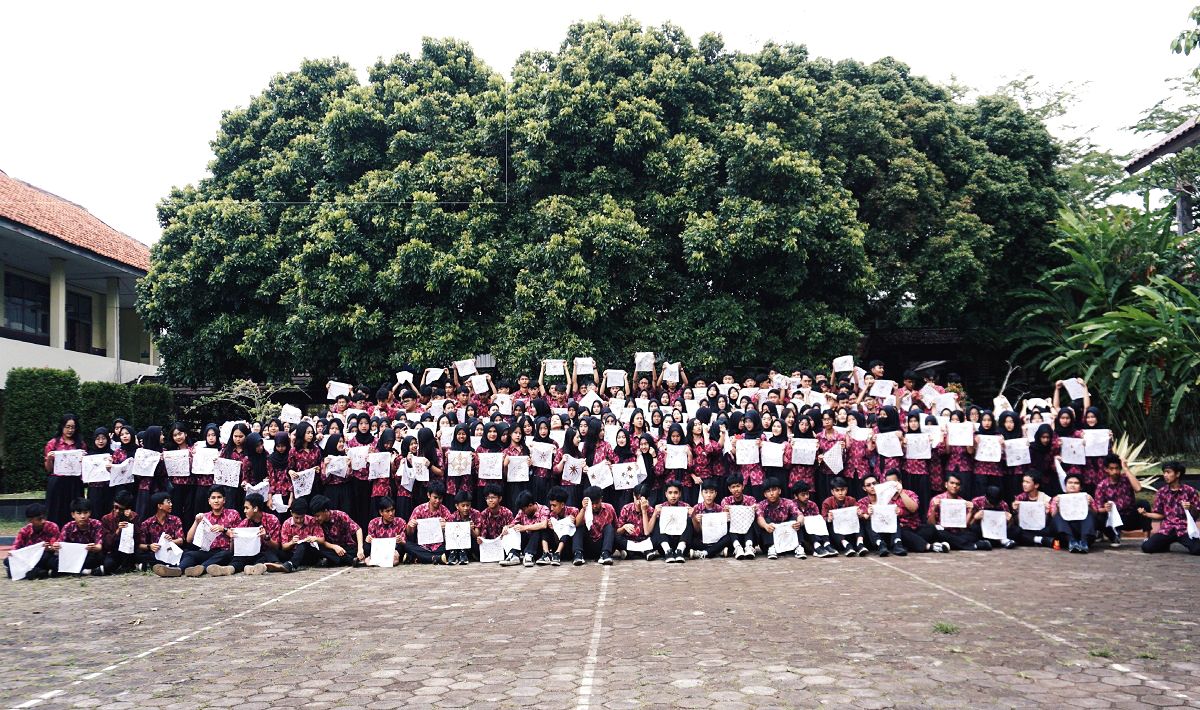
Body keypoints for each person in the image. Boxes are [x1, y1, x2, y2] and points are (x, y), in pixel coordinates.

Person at [1139, 461, 1200, 555]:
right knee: (1146, 547)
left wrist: (1191, 507)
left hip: (1184, 529)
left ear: (1178, 474)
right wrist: (1146, 514)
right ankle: (1164, 544)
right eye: (1164, 472)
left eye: (1168, 472)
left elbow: (1197, 514)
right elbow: (1160, 515)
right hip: (1167, 529)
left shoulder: (1190, 491)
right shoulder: (1162, 492)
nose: (1165, 475)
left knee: (1197, 550)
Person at [179, 486, 241, 577]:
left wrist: (223, 529)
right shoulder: (205, 516)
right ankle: (178, 570)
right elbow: (188, 539)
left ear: (224, 500)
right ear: (209, 501)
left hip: (225, 551)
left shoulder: (233, 514)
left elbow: (239, 535)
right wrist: (196, 522)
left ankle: (201, 568)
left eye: (219, 497)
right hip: (207, 551)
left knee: (225, 554)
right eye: (213, 498)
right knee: (189, 554)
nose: (216, 501)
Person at [1093, 454, 1143, 547]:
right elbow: (1098, 508)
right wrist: (1105, 508)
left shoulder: (1126, 479)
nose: (1115, 471)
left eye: (1117, 468)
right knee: (1098, 517)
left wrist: (1126, 468)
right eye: (1111, 469)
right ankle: (1113, 537)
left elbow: (1138, 488)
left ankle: (1147, 537)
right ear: (1106, 469)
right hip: (1113, 518)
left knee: (1143, 504)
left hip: (1129, 516)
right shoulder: (1102, 485)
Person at [44, 413, 85, 526]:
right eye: (67, 426)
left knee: (74, 510)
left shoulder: (80, 444)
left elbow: (84, 469)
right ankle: (55, 537)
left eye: (73, 427)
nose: (70, 430)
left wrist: (84, 460)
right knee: (56, 510)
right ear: (62, 427)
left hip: (74, 483)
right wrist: (49, 459)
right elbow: (48, 469)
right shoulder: (53, 443)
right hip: (57, 483)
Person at [266, 498, 325, 573]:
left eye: (301, 518)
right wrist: (292, 542)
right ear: (291, 513)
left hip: (308, 554)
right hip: (292, 553)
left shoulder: (312, 521)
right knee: (270, 551)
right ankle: (276, 564)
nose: (299, 520)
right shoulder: (286, 524)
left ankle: (291, 565)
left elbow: (322, 539)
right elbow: (284, 546)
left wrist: (314, 538)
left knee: (303, 544)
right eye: (296, 517)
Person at [928, 473, 983, 551]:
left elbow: (963, 528)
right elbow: (931, 524)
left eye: (957, 484)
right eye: (952, 483)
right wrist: (934, 508)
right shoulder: (937, 499)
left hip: (957, 533)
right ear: (946, 484)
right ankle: (974, 546)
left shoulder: (962, 502)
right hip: (943, 531)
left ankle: (950, 544)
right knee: (937, 533)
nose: (954, 486)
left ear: (960, 487)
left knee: (973, 534)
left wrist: (970, 512)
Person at [230, 493, 283, 575]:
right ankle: (230, 569)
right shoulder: (244, 523)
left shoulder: (272, 520)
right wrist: (233, 539)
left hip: (266, 553)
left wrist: (266, 538)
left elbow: (277, 546)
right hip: (250, 553)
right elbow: (235, 549)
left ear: (255, 508)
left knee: (267, 554)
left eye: (247, 508)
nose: (244, 511)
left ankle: (255, 568)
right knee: (238, 557)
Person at [405, 483, 455, 565]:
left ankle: (419, 558)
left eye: (440, 498)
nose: (438, 501)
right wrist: (410, 526)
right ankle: (435, 558)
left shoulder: (445, 511)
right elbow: (409, 533)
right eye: (435, 498)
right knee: (407, 545)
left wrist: (447, 527)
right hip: (422, 546)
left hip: (439, 546)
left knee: (451, 547)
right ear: (428, 495)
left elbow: (453, 533)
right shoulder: (419, 509)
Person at [6, 503, 59, 579]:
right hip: (28, 558)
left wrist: (49, 548)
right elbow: (16, 546)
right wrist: (12, 553)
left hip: (44, 556)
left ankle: (31, 571)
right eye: (40, 519)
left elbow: (54, 546)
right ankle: (37, 571)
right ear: (30, 520)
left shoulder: (52, 527)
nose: (43, 521)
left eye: (44, 517)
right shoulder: (24, 531)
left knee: (51, 559)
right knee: (7, 560)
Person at [645, 480, 693, 563]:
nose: (673, 496)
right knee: (658, 520)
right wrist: (655, 514)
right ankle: (668, 551)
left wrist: (693, 516)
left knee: (689, 520)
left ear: (680, 494)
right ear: (666, 494)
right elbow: (648, 531)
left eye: (676, 493)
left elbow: (696, 529)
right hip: (665, 543)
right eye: (670, 493)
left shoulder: (685, 507)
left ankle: (680, 551)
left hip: (681, 542)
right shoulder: (660, 507)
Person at [1050, 473, 1099, 553]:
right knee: (1058, 516)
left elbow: (1095, 515)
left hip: (1083, 532)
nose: (1072, 485)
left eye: (1076, 483)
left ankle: (1084, 542)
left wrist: (1090, 506)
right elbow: (1053, 516)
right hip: (1065, 535)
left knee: (1089, 514)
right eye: (1070, 483)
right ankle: (1072, 541)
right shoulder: (1057, 498)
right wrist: (1058, 507)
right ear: (1065, 486)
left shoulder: (1087, 497)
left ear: (1081, 487)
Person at [140, 492, 186, 577]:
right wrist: (150, 546)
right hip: (156, 554)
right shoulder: (147, 523)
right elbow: (139, 544)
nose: (171, 504)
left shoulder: (175, 520)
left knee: (187, 554)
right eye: (168, 502)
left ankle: (170, 567)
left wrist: (171, 541)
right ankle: (171, 567)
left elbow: (181, 540)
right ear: (160, 506)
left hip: (172, 552)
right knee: (143, 556)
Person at [311, 495, 363, 566]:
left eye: (318, 516)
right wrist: (334, 547)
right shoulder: (316, 521)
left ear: (326, 511)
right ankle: (350, 560)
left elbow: (358, 529)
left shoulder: (340, 515)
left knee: (359, 549)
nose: (316, 518)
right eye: (315, 516)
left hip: (346, 547)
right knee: (317, 548)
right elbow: (321, 541)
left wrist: (360, 549)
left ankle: (334, 561)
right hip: (330, 548)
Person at [57, 497, 105, 575]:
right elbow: (60, 545)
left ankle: (76, 571)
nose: (82, 516)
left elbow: (99, 546)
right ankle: (87, 571)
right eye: (79, 513)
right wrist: (57, 546)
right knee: (54, 560)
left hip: (90, 555)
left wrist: (93, 547)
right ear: (73, 514)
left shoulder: (97, 524)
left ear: (90, 513)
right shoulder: (68, 527)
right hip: (73, 557)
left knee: (100, 557)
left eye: (85, 513)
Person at [756, 478, 800, 560]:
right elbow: (759, 518)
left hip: (786, 537)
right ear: (765, 494)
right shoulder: (761, 505)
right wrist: (765, 526)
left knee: (795, 519)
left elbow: (799, 514)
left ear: (779, 491)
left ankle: (798, 546)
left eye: (774, 490)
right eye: (768, 491)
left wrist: (799, 523)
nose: (771, 493)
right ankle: (771, 547)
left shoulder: (788, 502)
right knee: (766, 521)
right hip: (769, 537)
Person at [822, 477, 867, 556]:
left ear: (846, 490)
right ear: (832, 492)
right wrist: (829, 518)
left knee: (859, 520)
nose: (840, 493)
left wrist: (859, 514)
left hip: (850, 528)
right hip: (838, 533)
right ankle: (847, 546)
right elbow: (824, 518)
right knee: (832, 525)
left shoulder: (851, 500)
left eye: (842, 490)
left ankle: (860, 544)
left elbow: (860, 514)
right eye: (837, 490)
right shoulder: (827, 502)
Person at [574, 485, 617, 565]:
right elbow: (576, 524)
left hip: (603, 544)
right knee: (579, 528)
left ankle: (605, 554)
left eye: (597, 503)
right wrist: (583, 509)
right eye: (592, 503)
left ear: (601, 499)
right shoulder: (584, 510)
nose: (594, 506)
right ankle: (578, 554)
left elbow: (616, 527)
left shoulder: (609, 508)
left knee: (609, 527)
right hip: (588, 544)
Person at [506, 490, 550, 567]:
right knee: (514, 529)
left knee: (538, 529)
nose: (523, 511)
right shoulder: (521, 511)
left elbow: (544, 525)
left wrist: (525, 527)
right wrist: (507, 527)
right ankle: (514, 554)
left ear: (530, 505)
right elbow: (513, 523)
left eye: (524, 509)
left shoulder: (544, 509)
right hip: (525, 542)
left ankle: (529, 555)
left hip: (538, 544)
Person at [100, 490, 139, 574]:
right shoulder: (106, 519)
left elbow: (138, 539)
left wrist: (131, 522)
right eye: (115, 507)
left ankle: (130, 565)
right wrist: (118, 531)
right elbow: (107, 544)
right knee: (108, 564)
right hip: (114, 551)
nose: (117, 511)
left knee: (141, 555)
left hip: (130, 551)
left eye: (121, 509)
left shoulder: (134, 516)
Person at [1011, 473, 1053, 548]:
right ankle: (1039, 540)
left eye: (1027, 482)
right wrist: (1015, 511)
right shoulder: (1020, 498)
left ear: (1036, 485)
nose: (1024, 484)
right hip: (1025, 529)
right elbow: (1017, 522)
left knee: (1051, 530)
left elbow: (1047, 522)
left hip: (1039, 529)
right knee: (1014, 531)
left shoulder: (1045, 498)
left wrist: (1047, 513)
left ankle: (1030, 540)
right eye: (1023, 481)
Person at [968, 485, 1017, 550]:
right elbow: (969, 525)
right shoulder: (976, 502)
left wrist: (1010, 520)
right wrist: (975, 518)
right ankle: (1002, 541)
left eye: (995, 504)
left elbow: (1008, 526)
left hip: (998, 531)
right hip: (982, 531)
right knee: (973, 530)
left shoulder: (1003, 504)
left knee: (1017, 530)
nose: (993, 506)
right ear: (986, 497)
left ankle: (998, 541)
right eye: (991, 503)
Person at [690, 480, 728, 559]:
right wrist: (695, 520)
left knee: (728, 538)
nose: (709, 495)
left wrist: (726, 518)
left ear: (715, 494)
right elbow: (696, 531)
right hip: (702, 540)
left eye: (711, 492)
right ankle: (716, 551)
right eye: (706, 492)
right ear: (701, 493)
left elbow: (723, 530)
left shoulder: (720, 509)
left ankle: (705, 552)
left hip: (717, 539)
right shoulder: (696, 508)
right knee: (690, 540)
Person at [615, 483, 653, 560]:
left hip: (645, 541)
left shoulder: (651, 510)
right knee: (615, 538)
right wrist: (624, 527)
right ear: (633, 496)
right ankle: (642, 551)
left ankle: (633, 552)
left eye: (641, 500)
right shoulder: (626, 508)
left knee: (657, 538)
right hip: (629, 541)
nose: (639, 502)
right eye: (637, 499)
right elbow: (618, 531)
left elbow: (648, 532)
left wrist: (644, 511)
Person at [365, 496, 406, 567]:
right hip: (378, 550)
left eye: (392, 510)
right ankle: (375, 559)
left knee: (402, 547)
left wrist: (400, 540)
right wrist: (368, 540)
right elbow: (373, 544)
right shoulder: (373, 523)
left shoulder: (400, 522)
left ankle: (374, 561)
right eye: (387, 511)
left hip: (394, 550)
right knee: (366, 546)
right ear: (381, 512)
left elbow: (404, 542)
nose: (391, 513)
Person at [447, 490, 481, 565]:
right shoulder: (452, 517)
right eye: (463, 506)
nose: (465, 508)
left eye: (468, 505)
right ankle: (454, 554)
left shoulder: (476, 514)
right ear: (457, 506)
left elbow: (477, 535)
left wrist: (471, 529)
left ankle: (464, 554)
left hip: (471, 542)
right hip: (456, 543)